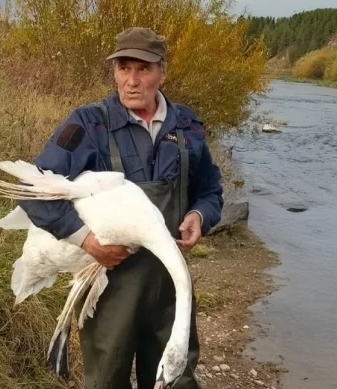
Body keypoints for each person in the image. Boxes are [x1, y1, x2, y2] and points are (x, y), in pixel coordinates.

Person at [17, 27, 224, 389]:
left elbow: (209, 189)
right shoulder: (88, 124)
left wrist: (199, 216)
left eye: (142, 69)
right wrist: (86, 241)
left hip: (169, 286)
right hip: (109, 287)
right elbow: (32, 190)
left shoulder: (187, 126)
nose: (131, 81)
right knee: (106, 382)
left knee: (176, 380)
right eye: (123, 68)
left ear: (163, 72)